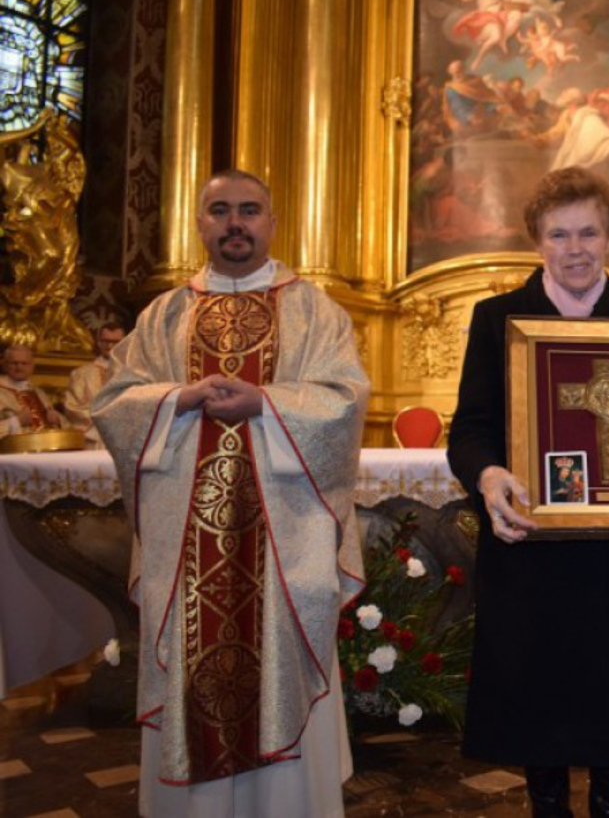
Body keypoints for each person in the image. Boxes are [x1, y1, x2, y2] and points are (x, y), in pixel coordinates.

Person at [92, 169, 369, 818]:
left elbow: (344, 401)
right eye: (220, 211)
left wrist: (265, 404)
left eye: (249, 210)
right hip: (186, 546)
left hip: (284, 541)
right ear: (200, 222)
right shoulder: (164, 315)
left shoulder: (314, 311)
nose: (235, 223)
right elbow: (114, 402)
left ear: (271, 221)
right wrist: (179, 398)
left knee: (280, 656)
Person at [447, 166, 609, 818]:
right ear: (537, 240)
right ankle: (548, 808)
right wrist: (488, 475)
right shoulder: (498, 319)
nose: (574, 249)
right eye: (559, 234)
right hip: (533, 549)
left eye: (588, 233)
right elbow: (470, 429)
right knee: (538, 699)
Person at [63, 321, 126, 448]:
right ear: (98, 342)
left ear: (124, 343)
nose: (109, 346)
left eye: (115, 342)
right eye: (105, 341)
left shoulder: (131, 373)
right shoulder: (81, 374)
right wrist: (102, 417)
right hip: (93, 439)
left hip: (123, 437)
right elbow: (72, 407)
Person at [0, 343, 64, 436]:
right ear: (4, 364)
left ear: (32, 366)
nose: (19, 367)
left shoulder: (39, 393)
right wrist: (17, 421)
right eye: (14, 363)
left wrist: (56, 420)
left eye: (24, 363)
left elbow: (62, 424)